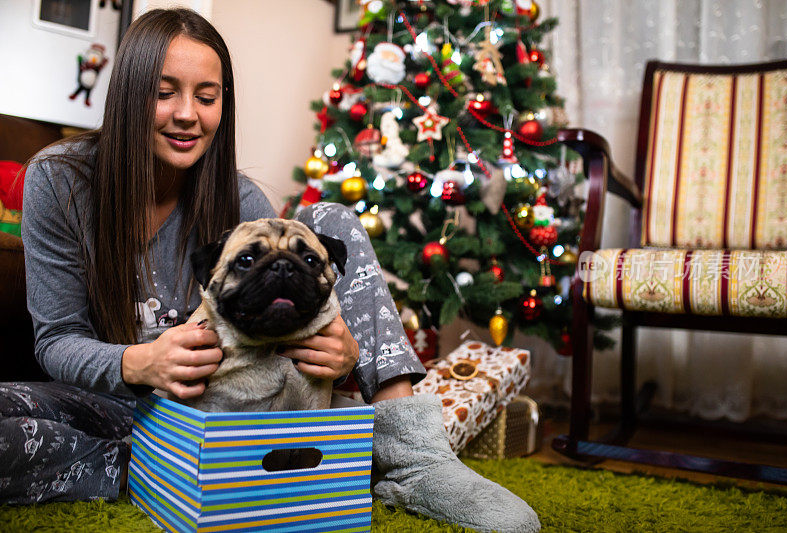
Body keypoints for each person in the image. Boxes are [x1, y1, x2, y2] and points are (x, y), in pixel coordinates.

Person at [9, 8, 539, 532]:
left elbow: (295, 301)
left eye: (207, 97)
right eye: (164, 92)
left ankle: (415, 459)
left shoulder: (239, 199)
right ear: (128, 94)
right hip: (119, 407)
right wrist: (140, 362)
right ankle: (165, 468)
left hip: (237, 410)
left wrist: (345, 353)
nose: (188, 114)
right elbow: (57, 340)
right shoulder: (58, 182)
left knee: (327, 218)